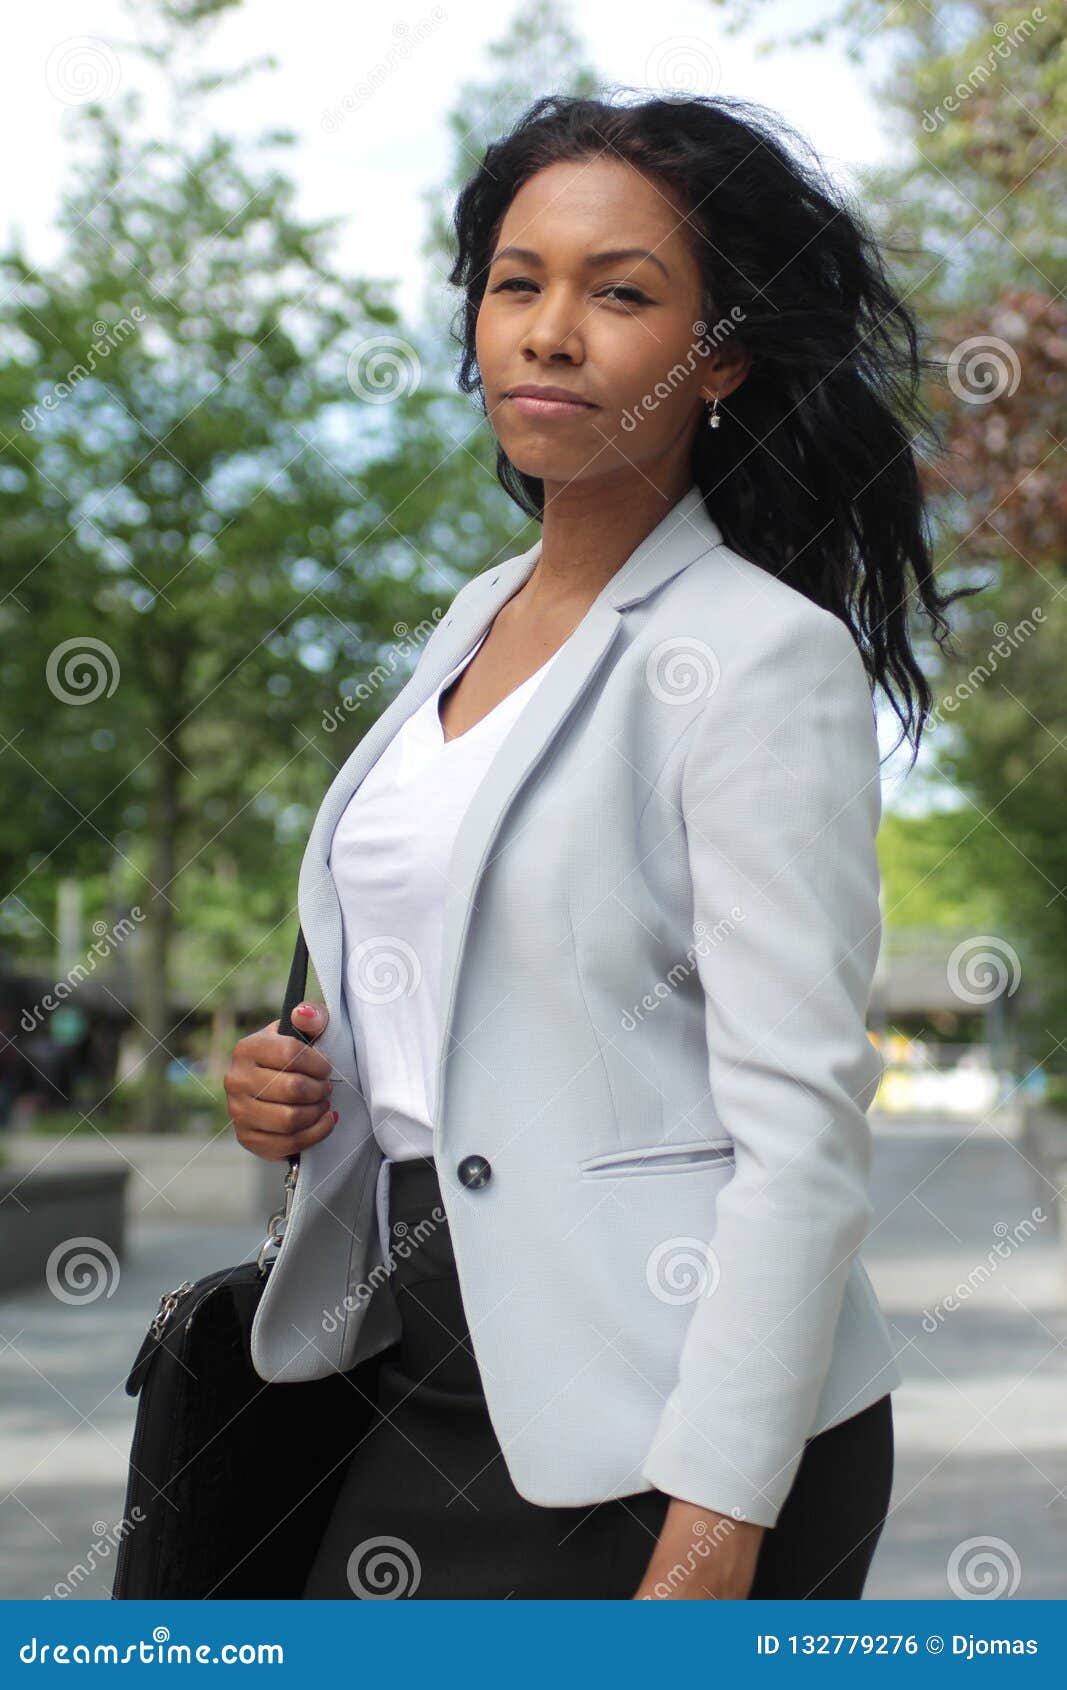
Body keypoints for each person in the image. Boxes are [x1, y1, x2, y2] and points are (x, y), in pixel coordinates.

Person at [224, 93, 972, 1600]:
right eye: (517, 283)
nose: (548, 332)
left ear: (722, 358)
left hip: (678, 1412)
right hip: (424, 1353)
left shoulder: (760, 656)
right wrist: (299, 1090)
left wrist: (710, 1534)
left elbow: (805, 1127)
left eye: (620, 292)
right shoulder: (470, 621)